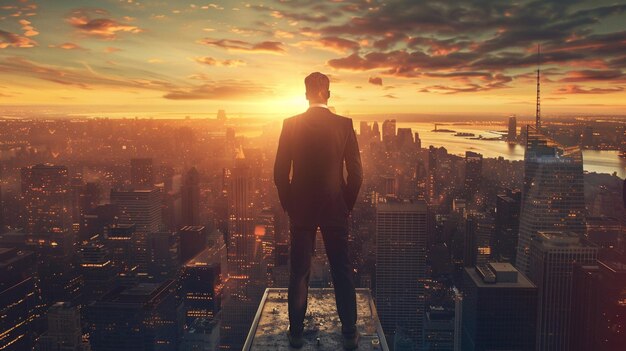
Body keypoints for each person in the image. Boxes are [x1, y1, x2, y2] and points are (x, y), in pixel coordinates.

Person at [274, 72, 363, 349]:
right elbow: (357, 174)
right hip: (335, 207)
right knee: (342, 270)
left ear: (305, 94)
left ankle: (296, 333)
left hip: (301, 209)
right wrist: (345, 204)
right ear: (328, 93)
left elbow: (279, 173)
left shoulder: (290, 125)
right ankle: (349, 333)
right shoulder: (344, 125)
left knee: (299, 272)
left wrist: (290, 204)